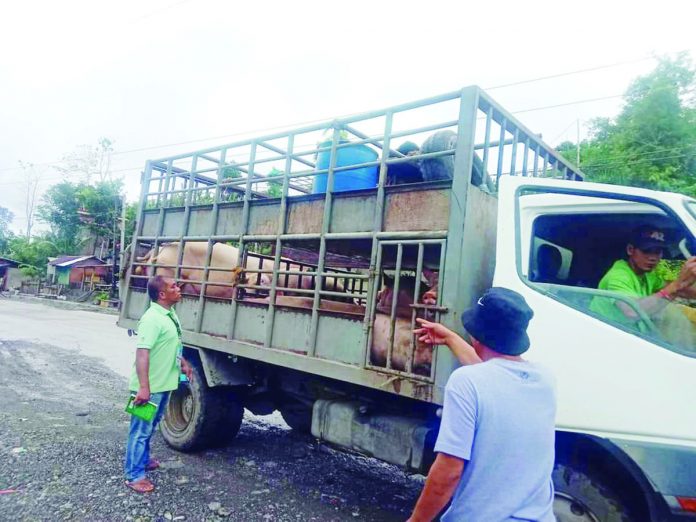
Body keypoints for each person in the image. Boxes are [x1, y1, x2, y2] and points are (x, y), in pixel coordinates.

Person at [407, 287, 556, 522]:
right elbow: (493, 375)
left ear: (476, 334)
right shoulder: (545, 380)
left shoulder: (466, 382)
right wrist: (450, 339)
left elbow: (449, 470)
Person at [124, 275, 193, 493]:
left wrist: (183, 362)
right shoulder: (152, 318)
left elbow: (170, 345)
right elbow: (142, 353)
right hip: (149, 388)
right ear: (162, 294)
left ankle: (142, 461)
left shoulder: (169, 314)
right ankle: (134, 476)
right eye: (174, 286)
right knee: (140, 431)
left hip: (162, 386)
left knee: (150, 427)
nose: (178, 288)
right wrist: (144, 388)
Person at [590, 225, 696, 325]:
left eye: (657, 251)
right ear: (630, 250)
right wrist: (676, 286)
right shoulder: (618, 277)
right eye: (647, 251)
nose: (653, 257)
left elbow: (677, 290)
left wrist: (685, 281)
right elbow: (633, 312)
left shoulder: (648, 274)